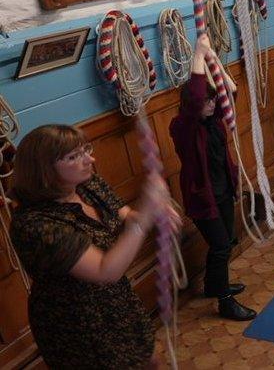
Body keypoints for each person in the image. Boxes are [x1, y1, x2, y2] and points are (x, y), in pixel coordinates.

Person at [9, 124, 181, 369]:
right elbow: (105, 270)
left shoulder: (86, 184)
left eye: (86, 149)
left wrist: (155, 213)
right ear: (44, 170)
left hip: (116, 301)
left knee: (151, 358)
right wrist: (144, 217)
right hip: (77, 323)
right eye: (74, 156)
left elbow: (126, 215)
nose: (90, 158)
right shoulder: (34, 224)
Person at [169, 33, 256, 321]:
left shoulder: (213, 120)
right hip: (202, 197)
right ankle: (224, 300)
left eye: (211, 100)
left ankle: (213, 285)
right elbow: (196, 98)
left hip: (222, 191)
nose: (210, 104)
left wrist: (212, 57)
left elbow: (229, 92)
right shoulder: (183, 127)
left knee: (226, 242)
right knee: (220, 245)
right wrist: (197, 54)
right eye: (206, 101)